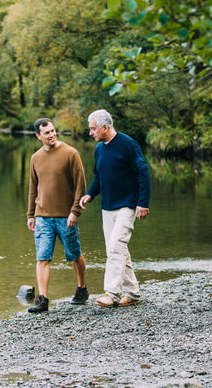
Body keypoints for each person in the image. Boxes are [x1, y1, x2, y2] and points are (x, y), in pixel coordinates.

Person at [79, 109, 150, 308]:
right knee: (119, 250)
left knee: (115, 248)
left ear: (105, 127)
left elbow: (143, 173)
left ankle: (112, 293)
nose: (90, 132)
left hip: (127, 206)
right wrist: (89, 194)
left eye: (93, 129)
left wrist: (143, 203)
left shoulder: (128, 145)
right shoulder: (99, 149)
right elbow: (99, 177)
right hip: (107, 207)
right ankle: (133, 293)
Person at [27, 118, 89, 313]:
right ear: (39, 136)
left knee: (74, 254)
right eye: (47, 133)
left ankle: (82, 288)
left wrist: (74, 211)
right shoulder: (35, 158)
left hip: (66, 216)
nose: (52, 135)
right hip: (42, 216)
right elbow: (32, 188)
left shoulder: (71, 153)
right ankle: (43, 300)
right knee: (42, 258)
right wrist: (31, 214)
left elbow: (81, 185)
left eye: (53, 131)